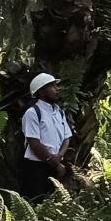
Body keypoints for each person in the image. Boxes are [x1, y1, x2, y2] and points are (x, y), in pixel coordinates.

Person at [17, 73, 74, 201]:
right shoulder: (32, 113)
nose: (57, 89)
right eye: (52, 86)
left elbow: (66, 138)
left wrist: (60, 156)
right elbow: (34, 143)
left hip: (56, 164)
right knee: (35, 202)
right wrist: (55, 163)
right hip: (36, 168)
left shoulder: (59, 111)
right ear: (42, 92)